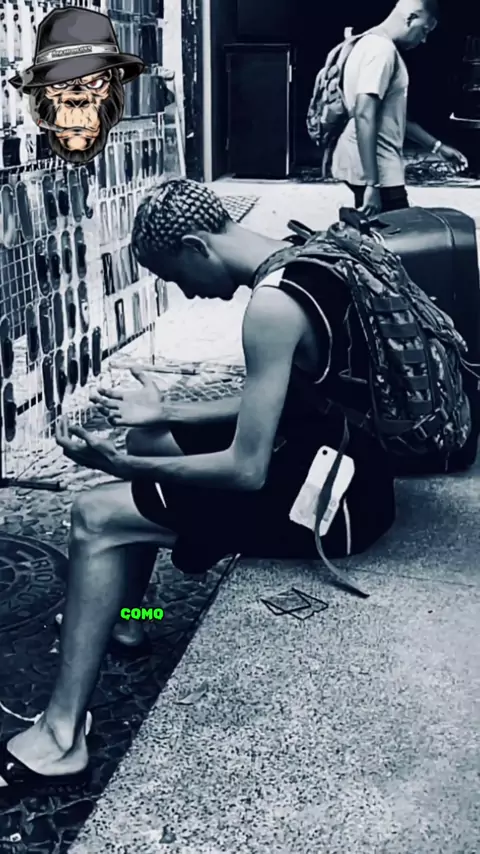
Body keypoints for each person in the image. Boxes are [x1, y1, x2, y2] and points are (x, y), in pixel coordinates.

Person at [0, 178, 396, 796]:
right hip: (349, 469)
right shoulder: (304, 257)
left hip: (326, 506)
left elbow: (245, 470)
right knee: (147, 438)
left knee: (95, 517)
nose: (185, 292)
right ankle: (127, 619)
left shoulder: (270, 309)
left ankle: (60, 738)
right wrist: (166, 413)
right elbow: (277, 391)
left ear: (195, 246)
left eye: (176, 275)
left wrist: (123, 467)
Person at [331, 0, 468, 215]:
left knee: (378, 231)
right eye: (424, 30)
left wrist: (437, 147)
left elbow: (393, 118)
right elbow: (364, 113)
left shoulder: (367, 42)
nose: (424, 39)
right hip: (379, 169)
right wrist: (372, 184)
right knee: (401, 232)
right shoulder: (381, 50)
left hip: (373, 165)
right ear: (411, 18)